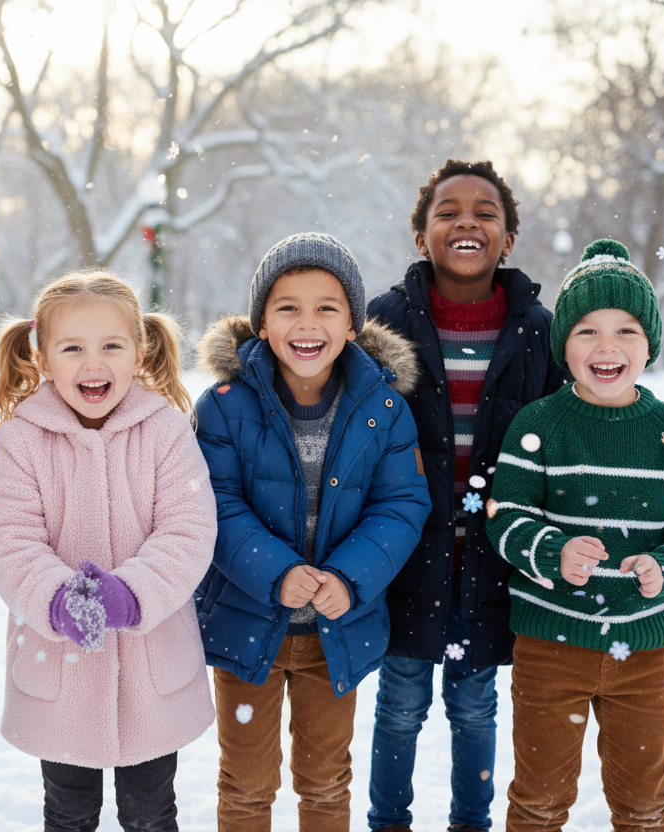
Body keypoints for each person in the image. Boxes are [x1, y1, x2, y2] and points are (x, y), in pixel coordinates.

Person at [193, 231, 432, 832]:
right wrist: (275, 573)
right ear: (262, 323)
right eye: (288, 307)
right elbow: (213, 503)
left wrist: (350, 579)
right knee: (246, 783)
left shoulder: (383, 408)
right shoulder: (224, 404)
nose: (308, 323)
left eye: (327, 307)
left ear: (353, 324)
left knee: (326, 780)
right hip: (250, 625)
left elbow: (401, 503)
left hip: (337, 631)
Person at [486, 239, 664, 831]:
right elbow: (505, 513)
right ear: (562, 344)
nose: (607, 347)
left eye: (626, 331)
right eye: (587, 331)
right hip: (550, 646)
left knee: (643, 802)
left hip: (642, 651)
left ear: (650, 345)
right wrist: (551, 549)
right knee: (539, 800)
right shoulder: (538, 425)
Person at [365, 159, 566, 832]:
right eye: (447, 211)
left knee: (476, 703)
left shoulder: (538, 328)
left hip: (493, 555)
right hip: (405, 552)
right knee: (399, 701)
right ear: (420, 235)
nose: (467, 222)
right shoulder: (384, 321)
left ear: (508, 238)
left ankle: (469, 823)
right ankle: (388, 821)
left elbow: (557, 433)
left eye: (486, 212)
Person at [0, 271, 217, 832]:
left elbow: (188, 528)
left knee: (152, 811)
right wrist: (57, 598)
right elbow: (9, 539)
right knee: (67, 812)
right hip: (58, 668)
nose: (94, 363)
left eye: (111, 346)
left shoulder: (165, 432)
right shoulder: (20, 440)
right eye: (73, 348)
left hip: (151, 666)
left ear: (139, 353)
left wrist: (130, 593)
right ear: (42, 360)